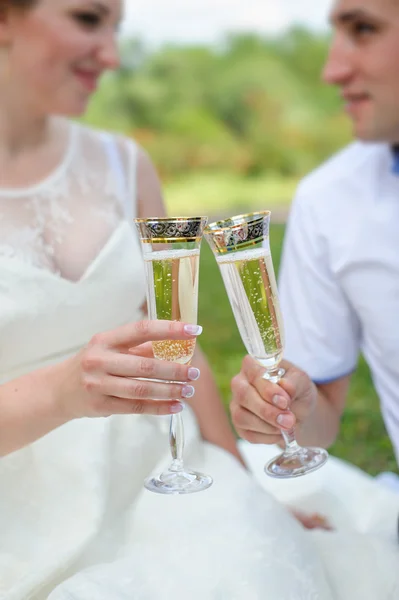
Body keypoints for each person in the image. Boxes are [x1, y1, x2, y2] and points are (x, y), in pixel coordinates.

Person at [0, 1, 398, 599]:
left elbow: (175, 339)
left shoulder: (123, 163)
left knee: (253, 569)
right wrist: (61, 393)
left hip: (159, 464)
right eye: (88, 19)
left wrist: (250, 492)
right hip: (23, 497)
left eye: (116, 27)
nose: (111, 54)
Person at [231, 0, 399, 528]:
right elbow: (320, 416)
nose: (333, 70)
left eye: (365, 29)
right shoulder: (330, 200)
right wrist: (290, 412)